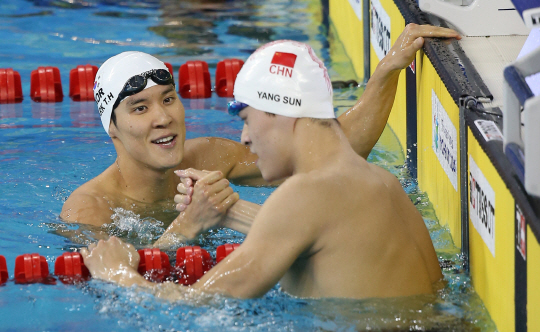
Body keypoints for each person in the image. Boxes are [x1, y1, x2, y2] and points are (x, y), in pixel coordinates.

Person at [81, 37, 446, 300]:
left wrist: (118, 276)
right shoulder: (382, 182)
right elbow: (313, 230)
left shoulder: (304, 196)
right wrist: (227, 211)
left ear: (277, 114)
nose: (244, 138)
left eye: (246, 120)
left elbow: (194, 306)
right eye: (140, 107)